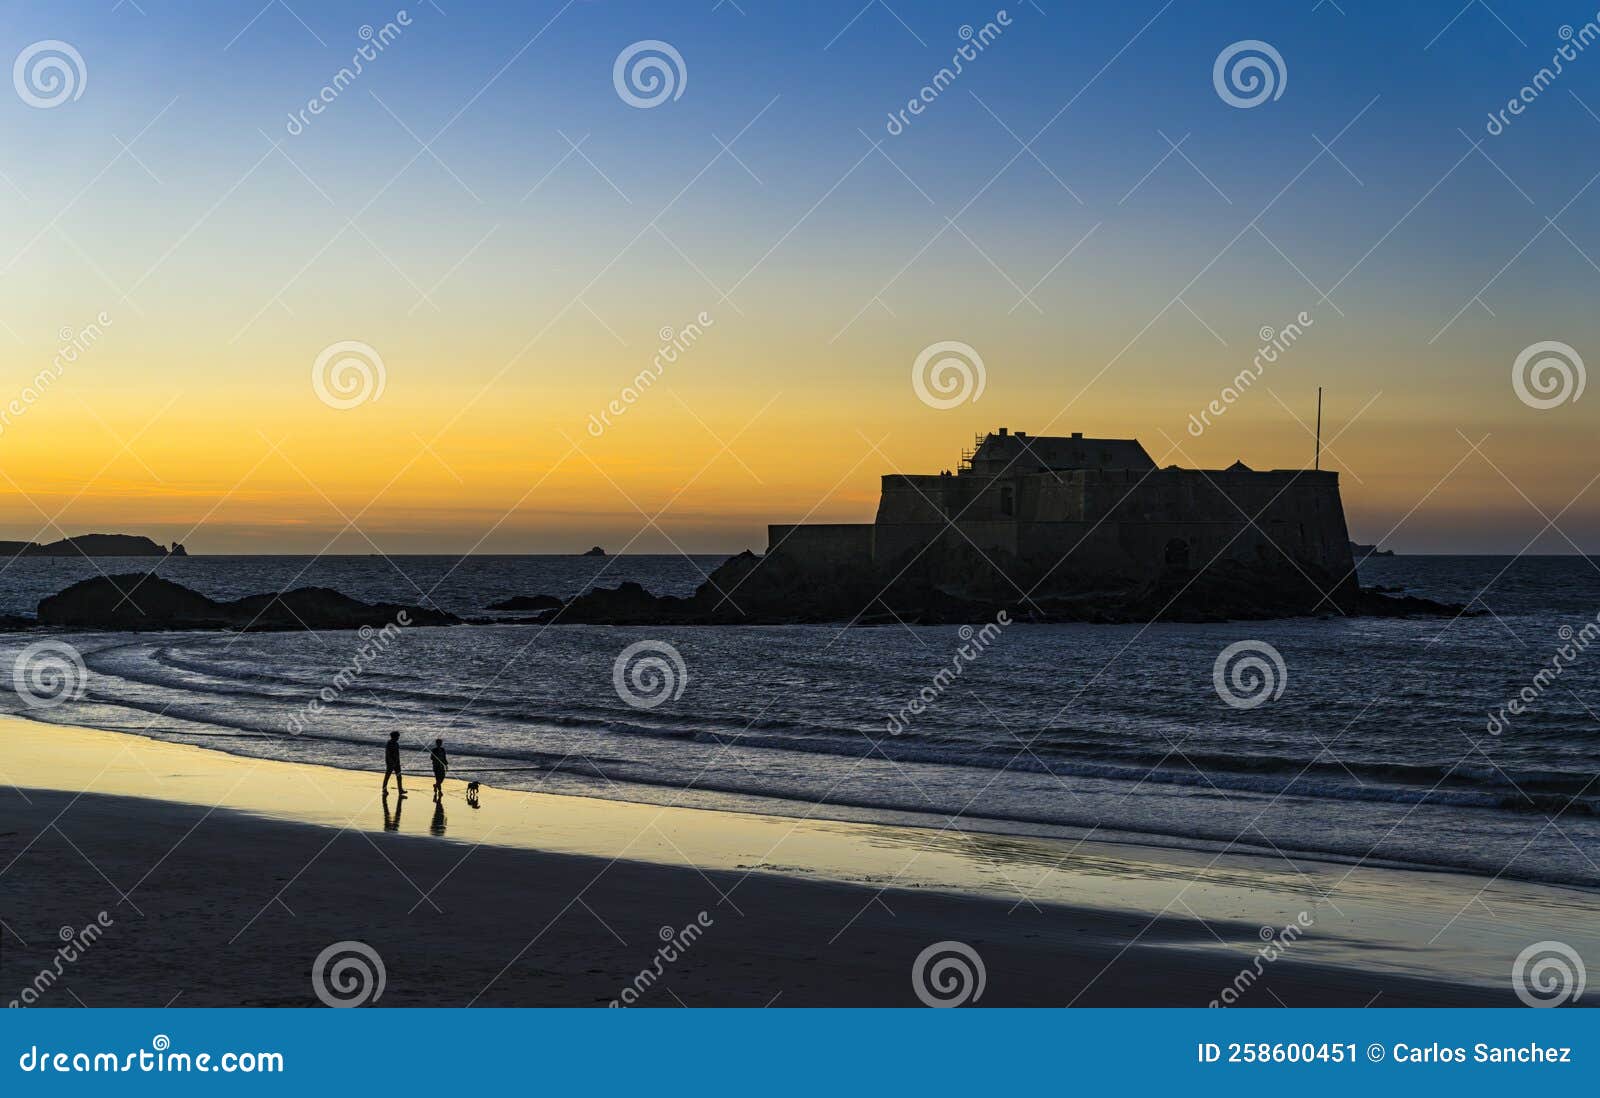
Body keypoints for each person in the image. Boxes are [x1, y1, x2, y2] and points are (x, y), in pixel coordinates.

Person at [382, 731, 406, 797]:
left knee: (399, 777)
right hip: (390, 763)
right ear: (394, 737)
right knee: (387, 776)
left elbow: (397, 754)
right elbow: (388, 754)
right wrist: (391, 762)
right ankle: (384, 789)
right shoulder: (389, 743)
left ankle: (400, 790)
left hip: (397, 762)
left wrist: (398, 762)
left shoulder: (396, 744)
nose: (398, 738)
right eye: (397, 737)